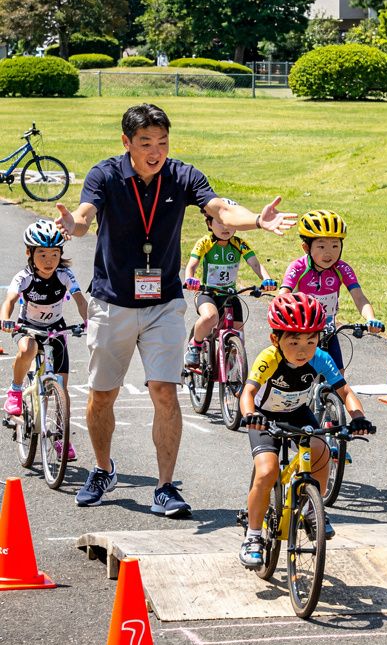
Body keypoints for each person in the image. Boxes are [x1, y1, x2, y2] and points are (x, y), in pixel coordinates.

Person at [54, 103, 295, 516]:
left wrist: (256, 220)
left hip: (164, 302)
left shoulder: (182, 175)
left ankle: (165, 486)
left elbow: (219, 207)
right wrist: (73, 226)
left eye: (162, 142)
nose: (155, 151)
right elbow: (85, 215)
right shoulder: (106, 175)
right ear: (126, 142)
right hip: (112, 302)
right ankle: (101, 468)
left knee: (164, 392)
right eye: (145, 142)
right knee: (103, 394)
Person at [238, 291, 374, 570]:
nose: (303, 350)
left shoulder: (320, 358)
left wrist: (358, 417)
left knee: (322, 450)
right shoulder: (269, 358)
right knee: (267, 470)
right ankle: (253, 537)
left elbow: (345, 390)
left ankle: (313, 508)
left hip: (298, 413)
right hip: (264, 417)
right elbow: (248, 392)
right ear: (276, 339)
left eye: (311, 341)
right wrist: (250, 415)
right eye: (295, 341)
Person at [1, 219, 88, 459]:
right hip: (27, 327)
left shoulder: (64, 275)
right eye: (42, 254)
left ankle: (61, 437)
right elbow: (9, 300)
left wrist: (90, 320)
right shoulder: (24, 277)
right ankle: (16, 391)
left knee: (61, 387)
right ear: (29, 253)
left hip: (55, 330)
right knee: (28, 348)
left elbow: (80, 300)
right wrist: (5, 319)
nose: (49, 260)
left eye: (54, 254)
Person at [281, 210, 383, 371]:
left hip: (328, 331)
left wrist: (371, 319)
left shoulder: (342, 268)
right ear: (306, 247)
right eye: (321, 246)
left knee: (339, 379)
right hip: (300, 333)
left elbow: (359, 298)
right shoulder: (298, 267)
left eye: (335, 245)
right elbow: (283, 296)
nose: (329, 253)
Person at [183, 202, 277, 370]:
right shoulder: (205, 242)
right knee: (210, 317)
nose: (225, 227)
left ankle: (233, 368)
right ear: (209, 224)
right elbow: (192, 265)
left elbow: (255, 264)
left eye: (229, 223)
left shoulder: (240, 244)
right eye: (220, 222)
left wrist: (267, 280)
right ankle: (195, 345)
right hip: (208, 293)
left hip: (230, 295)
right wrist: (190, 278)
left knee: (239, 335)